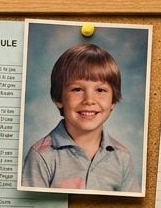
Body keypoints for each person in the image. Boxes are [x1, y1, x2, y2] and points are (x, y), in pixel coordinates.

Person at [21, 43, 140, 192]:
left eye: (100, 90)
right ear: (59, 99)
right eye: (77, 89)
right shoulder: (41, 157)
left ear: (113, 101)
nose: (89, 100)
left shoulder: (122, 157)